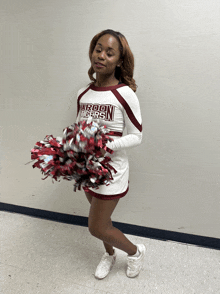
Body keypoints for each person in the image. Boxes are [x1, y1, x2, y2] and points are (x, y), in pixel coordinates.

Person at [75, 29, 146, 279]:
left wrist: (106, 146)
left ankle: (136, 252)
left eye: (109, 52)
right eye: (98, 49)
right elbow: (80, 129)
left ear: (119, 60)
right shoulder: (83, 93)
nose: (101, 55)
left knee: (96, 227)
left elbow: (137, 136)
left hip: (112, 170)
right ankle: (110, 254)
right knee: (103, 224)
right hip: (87, 170)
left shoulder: (125, 93)